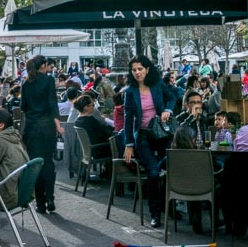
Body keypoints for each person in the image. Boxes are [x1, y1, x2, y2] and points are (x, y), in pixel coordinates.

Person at [122, 54, 176, 229]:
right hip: (144, 136)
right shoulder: (130, 91)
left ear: (147, 69)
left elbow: (172, 97)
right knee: (153, 172)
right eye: (134, 70)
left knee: (169, 169)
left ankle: (171, 208)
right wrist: (128, 144)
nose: (137, 72)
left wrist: (168, 109)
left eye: (140, 69)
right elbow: (128, 117)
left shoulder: (158, 84)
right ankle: (155, 214)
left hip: (162, 134)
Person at [21, 54, 63, 215]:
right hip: (47, 128)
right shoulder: (48, 80)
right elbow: (53, 104)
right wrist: (58, 124)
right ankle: (50, 197)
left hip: (31, 129)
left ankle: (40, 202)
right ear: (44, 66)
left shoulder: (26, 83)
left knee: (35, 164)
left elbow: (23, 106)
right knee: (48, 162)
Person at [73, 94, 113, 159]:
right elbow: (105, 134)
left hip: (88, 150)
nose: (93, 107)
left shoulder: (77, 121)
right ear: (86, 107)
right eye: (93, 105)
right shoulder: (90, 120)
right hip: (97, 150)